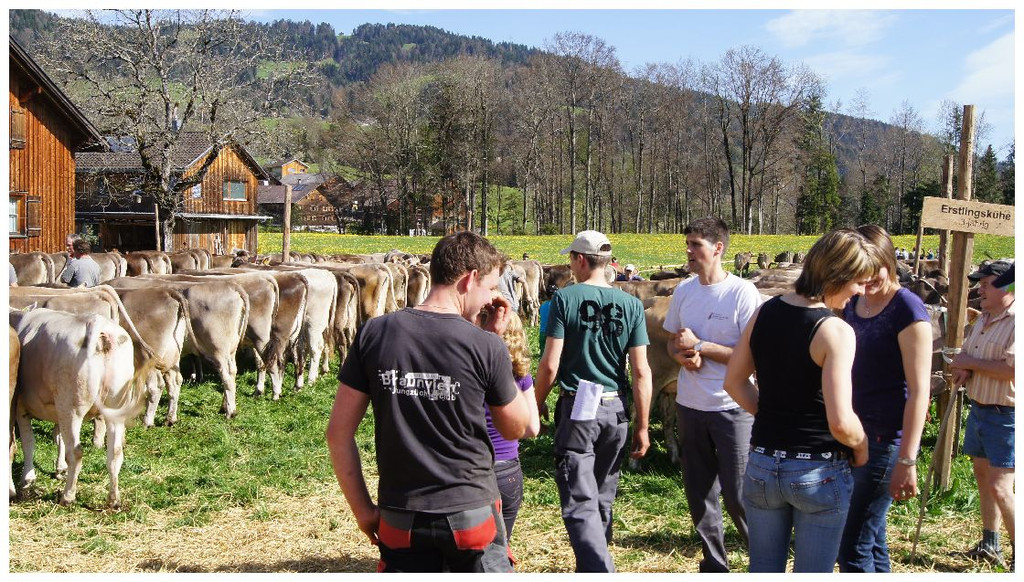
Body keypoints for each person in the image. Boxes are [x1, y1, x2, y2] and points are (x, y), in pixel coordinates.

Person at [325, 231, 539, 573]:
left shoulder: (373, 334)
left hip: (400, 514)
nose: (491, 299)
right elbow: (515, 427)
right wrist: (494, 348)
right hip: (470, 512)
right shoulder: (485, 346)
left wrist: (364, 511)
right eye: (490, 288)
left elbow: (337, 433)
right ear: (469, 279)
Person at [723, 228, 873, 573]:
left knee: (763, 569)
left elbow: (733, 382)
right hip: (818, 470)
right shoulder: (835, 331)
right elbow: (841, 422)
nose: (861, 292)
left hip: (762, 463)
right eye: (859, 282)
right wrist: (862, 446)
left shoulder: (765, 311)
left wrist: (773, 415)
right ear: (839, 275)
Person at [535, 230, 653, 572]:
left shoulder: (564, 299)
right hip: (615, 408)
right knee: (602, 493)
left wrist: (536, 402)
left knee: (578, 498)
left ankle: (598, 570)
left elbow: (550, 364)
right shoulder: (631, 304)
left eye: (571, 259)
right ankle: (593, 563)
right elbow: (641, 371)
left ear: (580, 260)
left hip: (578, 407)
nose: (570, 265)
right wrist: (643, 425)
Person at [663, 217, 762, 572]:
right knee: (699, 494)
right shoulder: (684, 291)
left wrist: (701, 346)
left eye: (696, 245)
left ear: (718, 248)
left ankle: (763, 562)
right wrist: (682, 356)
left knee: (739, 495)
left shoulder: (742, 293)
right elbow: (673, 343)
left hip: (732, 407)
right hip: (690, 406)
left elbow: (753, 357)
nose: (688, 251)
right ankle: (715, 565)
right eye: (687, 244)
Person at [836, 225, 932, 572]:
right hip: (855, 435)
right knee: (872, 539)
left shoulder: (907, 309)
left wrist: (907, 459)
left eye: (874, 269)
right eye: (859, 271)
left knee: (851, 546)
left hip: (885, 440)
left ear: (889, 261)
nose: (867, 279)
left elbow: (919, 391)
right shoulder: (853, 303)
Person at [951, 259, 1015, 567]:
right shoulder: (984, 319)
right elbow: (971, 354)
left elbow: (1012, 369)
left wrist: (970, 363)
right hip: (980, 409)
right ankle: (991, 544)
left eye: (986, 284)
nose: (980, 290)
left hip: (1006, 416)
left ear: (1007, 287)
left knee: (1001, 487)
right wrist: (965, 368)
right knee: (983, 476)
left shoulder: (1017, 321)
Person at [479, 306, 540, 548]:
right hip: (507, 470)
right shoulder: (521, 377)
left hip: (472, 468)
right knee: (500, 547)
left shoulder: (468, 372)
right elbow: (533, 428)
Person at [538, 283, 559, 357]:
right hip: (551, 333)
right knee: (552, 355)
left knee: (542, 355)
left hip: (542, 332)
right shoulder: (556, 305)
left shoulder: (542, 306)